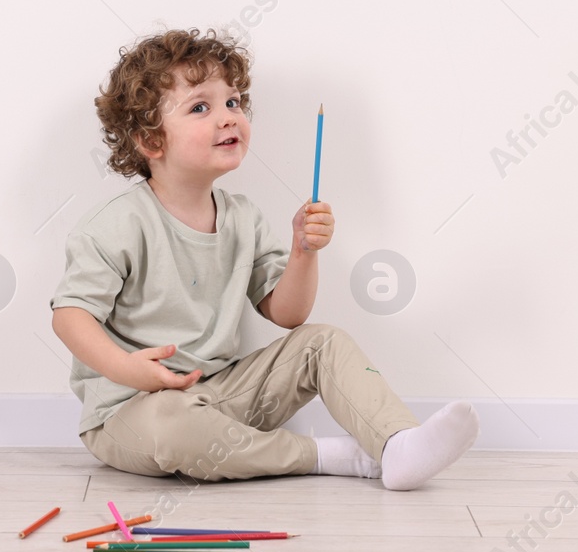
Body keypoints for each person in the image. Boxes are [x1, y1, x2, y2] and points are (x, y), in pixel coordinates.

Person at [50, 28, 478, 488]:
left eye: (233, 103)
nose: (228, 117)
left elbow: (289, 314)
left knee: (323, 341)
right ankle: (330, 455)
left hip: (220, 393)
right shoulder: (117, 225)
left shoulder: (243, 218)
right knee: (175, 425)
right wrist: (127, 369)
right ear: (151, 142)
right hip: (132, 410)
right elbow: (70, 316)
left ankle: (397, 443)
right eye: (200, 107)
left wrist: (303, 253)